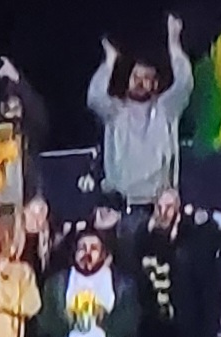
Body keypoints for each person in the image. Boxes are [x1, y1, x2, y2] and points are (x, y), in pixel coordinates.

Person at [88, 17, 194, 213]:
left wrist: (174, 43)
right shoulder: (115, 111)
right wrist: (110, 61)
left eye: (146, 78)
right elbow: (95, 97)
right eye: (135, 77)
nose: (139, 82)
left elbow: (184, 83)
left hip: (158, 206)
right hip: (121, 206)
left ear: (155, 84)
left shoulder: (166, 108)